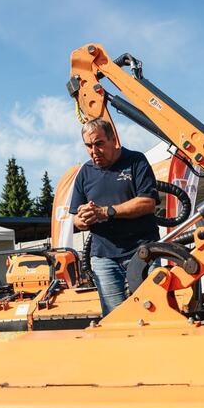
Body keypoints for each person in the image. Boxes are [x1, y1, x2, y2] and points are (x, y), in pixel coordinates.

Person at [69, 118, 160, 316]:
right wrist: (83, 218)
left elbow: (147, 202)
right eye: (88, 146)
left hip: (142, 252)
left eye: (99, 143)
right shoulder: (85, 173)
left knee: (151, 312)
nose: (94, 151)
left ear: (113, 139)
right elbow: (75, 218)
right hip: (104, 258)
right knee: (114, 318)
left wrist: (105, 212)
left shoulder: (136, 161)